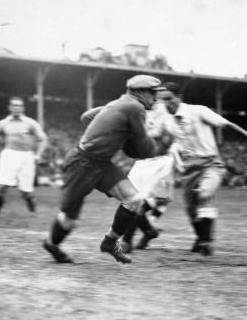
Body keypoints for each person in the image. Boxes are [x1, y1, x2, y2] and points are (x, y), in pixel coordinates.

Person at [42, 74, 168, 264]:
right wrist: (160, 146)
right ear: (139, 92)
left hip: (100, 163)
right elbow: (144, 148)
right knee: (69, 220)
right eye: (152, 93)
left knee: (134, 200)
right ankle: (51, 244)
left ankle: (109, 242)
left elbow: (86, 117)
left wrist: (113, 132)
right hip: (82, 164)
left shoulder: (118, 103)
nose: (155, 98)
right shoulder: (135, 107)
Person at [155, 82, 247, 256]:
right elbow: (162, 141)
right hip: (188, 169)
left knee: (204, 194)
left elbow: (225, 123)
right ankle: (200, 238)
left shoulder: (198, 111)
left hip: (211, 164)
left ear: (178, 97)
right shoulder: (167, 122)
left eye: (169, 99)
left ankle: (206, 241)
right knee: (190, 209)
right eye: (162, 101)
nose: (166, 104)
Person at [0, 97, 48, 229]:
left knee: (25, 192)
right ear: (10, 107)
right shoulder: (4, 123)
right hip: (9, 155)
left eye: (19, 106)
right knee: (1, 187)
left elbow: (43, 139)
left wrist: (38, 155)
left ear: (23, 108)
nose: (17, 108)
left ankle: (30, 200)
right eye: (14, 105)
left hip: (26, 157)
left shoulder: (30, 123)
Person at [120, 101, 184, 253]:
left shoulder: (166, 117)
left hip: (159, 164)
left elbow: (170, 139)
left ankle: (127, 240)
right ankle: (148, 231)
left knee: (138, 203)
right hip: (143, 163)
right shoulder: (141, 113)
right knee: (130, 200)